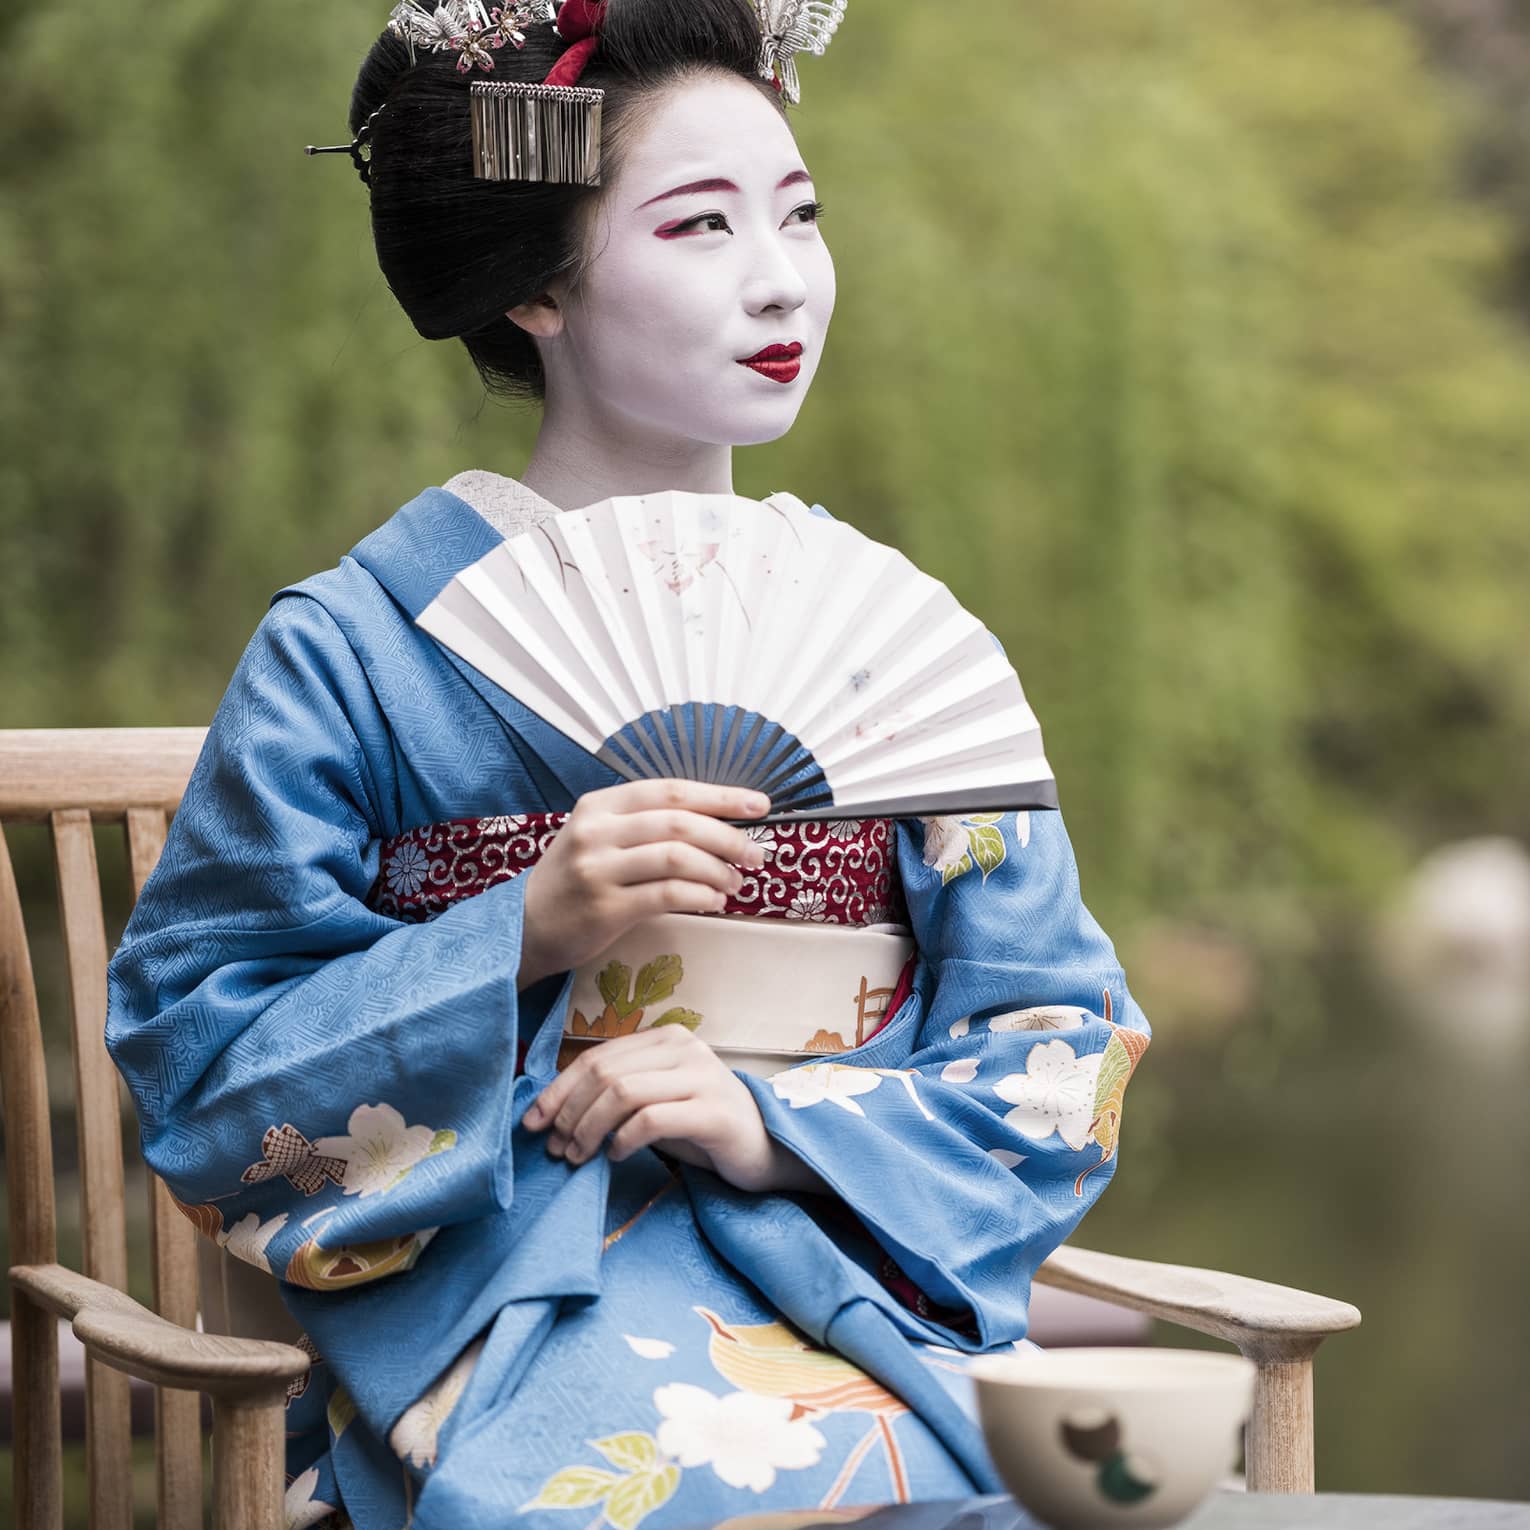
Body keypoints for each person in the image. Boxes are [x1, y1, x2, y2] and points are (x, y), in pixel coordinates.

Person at [105, 3, 1151, 1526]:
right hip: (501, 1314)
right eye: (699, 224)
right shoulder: (355, 649)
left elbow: (1058, 1049)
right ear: (537, 282)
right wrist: (516, 930)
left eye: (798, 214)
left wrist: (772, 1122)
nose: (778, 275)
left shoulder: (896, 648)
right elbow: (200, 1062)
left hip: (846, 1285)